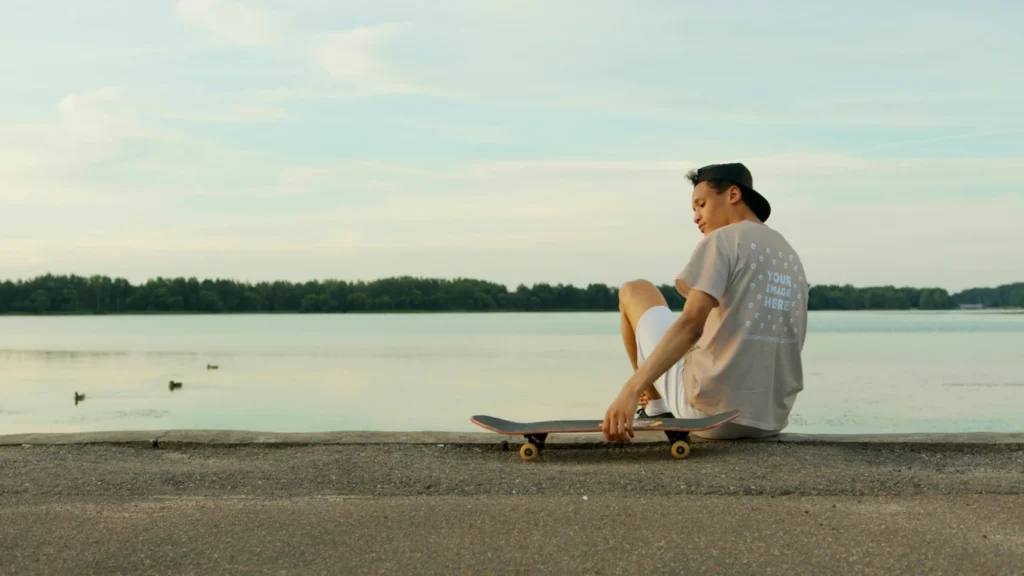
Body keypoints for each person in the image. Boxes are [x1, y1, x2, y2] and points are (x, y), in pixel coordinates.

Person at [601, 162, 808, 442]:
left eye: (701, 204)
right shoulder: (790, 255)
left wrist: (630, 391)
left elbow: (691, 325)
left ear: (733, 195)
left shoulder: (724, 240)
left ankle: (655, 407)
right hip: (770, 419)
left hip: (710, 415)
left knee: (634, 290)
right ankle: (658, 404)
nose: (697, 217)